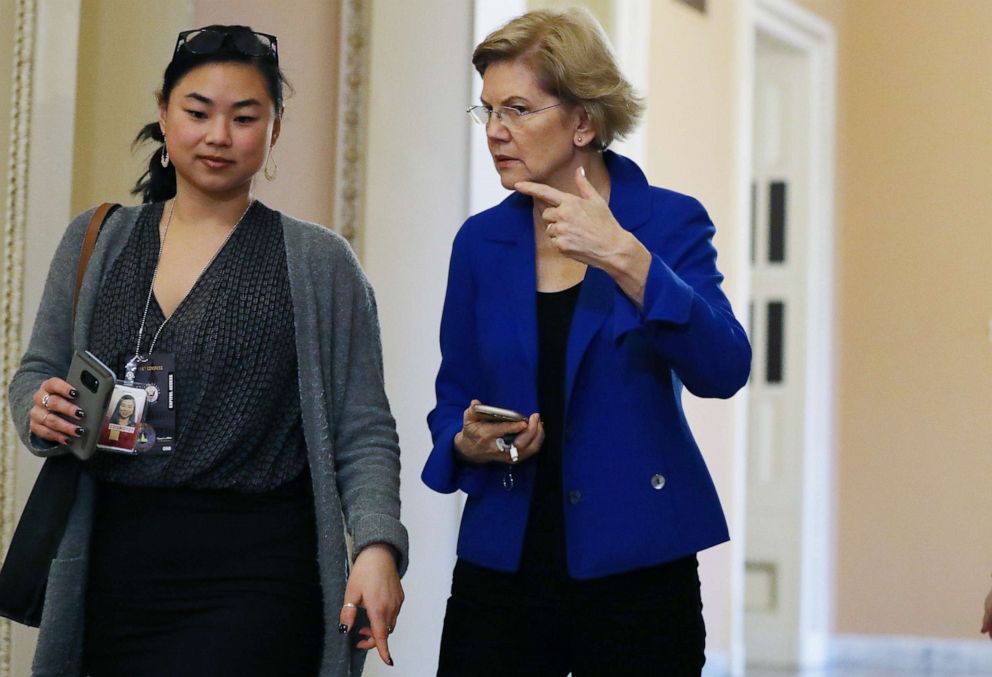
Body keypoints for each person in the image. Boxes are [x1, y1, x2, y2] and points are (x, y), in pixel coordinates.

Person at [8, 25, 405, 676]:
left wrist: (378, 544)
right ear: (163, 113)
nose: (218, 134)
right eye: (197, 112)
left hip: (256, 574)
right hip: (114, 564)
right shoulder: (99, 238)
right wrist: (39, 409)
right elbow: (36, 374)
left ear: (274, 130)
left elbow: (364, 428)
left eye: (244, 116)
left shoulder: (318, 263)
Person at [422, 9, 751, 676]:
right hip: (504, 563)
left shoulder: (666, 221)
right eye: (486, 111)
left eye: (517, 108)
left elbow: (724, 366)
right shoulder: (480, 243)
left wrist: (627, 259)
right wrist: (465, 441)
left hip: (638, 567)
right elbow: (453, 395)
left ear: (583, 121)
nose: (495, 132)